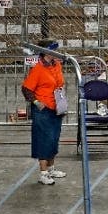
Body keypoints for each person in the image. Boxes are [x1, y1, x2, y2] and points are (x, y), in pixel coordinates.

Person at [20, 41, 67, 186]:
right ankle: (43, 173)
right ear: (46, 52)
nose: (57, 52)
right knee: (43, 140)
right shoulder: (38, 69)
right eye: (54, 50)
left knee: (53, 138)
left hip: (56, 107)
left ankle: (51, 169)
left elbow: (59, 84)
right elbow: (26, 89)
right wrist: (36, 103)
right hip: (43, 110)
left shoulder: (56, 65)